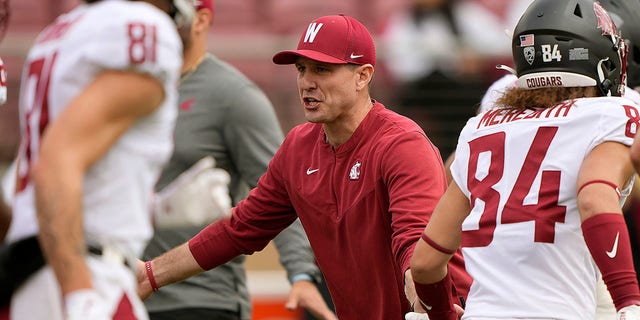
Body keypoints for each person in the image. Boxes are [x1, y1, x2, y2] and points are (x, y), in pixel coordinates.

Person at [137, 14, 472, 320]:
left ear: (363, 76)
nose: (307, 82)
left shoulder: (402, 144)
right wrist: (152, 274)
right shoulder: (298, 146)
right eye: (301, 69)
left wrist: (429, 308)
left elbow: (415, 250)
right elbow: (238, 229)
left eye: (322, 69)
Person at [410, 0, 640, 319]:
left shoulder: (481, 127)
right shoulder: (612, 113)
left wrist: (441, 314)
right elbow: (594, 199)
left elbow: (424, 264)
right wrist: (628, 301)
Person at [141, 1, 336, 319]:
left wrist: (301, 274)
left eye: (169, 12)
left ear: (201, 19)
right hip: (125, 296)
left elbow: (283, 193)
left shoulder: (233, 95)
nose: (154, 21)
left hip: (201, 300)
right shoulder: (121, 88)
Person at [2, 0, 187, 319]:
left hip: (32, 276)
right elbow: (55, 163)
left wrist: (157, 208)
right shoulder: (140, 27)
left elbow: (43, 179)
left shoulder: (57, 33)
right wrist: (80, 294)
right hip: (86, 273)